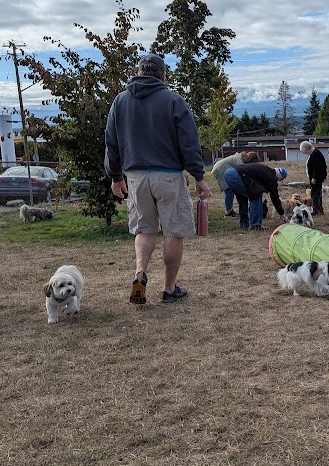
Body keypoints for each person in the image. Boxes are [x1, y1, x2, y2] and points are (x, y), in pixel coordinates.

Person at [105, 54, 211, 305]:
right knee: (173, 231)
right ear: (163, 75)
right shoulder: (174, 101)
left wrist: (115, 176)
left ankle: (140, 273)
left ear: (139, 72)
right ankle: (169, 288)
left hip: (136, 177)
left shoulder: (120, 101)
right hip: (169, 176)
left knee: (144, 229)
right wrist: (198, 176)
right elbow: (189, 142)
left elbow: (112, 142)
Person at [223, 164, 289, 231]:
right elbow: (275, 197)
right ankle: (255, 225)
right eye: (281, 180)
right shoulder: (271, 177)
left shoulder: (266, 169)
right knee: (256, 195)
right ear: (280, 177)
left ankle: (244, 223)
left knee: (243, 198)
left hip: (229, 172)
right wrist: (282, 214)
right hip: (237, 175)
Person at [300, 140, 327, 216]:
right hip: (315, 178)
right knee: (317, 193)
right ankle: (319, 210)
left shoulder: (316, 154)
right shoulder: (314, 153)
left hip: (317, 178)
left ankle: (316, 210)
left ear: (307, 148)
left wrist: (314, 177)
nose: (304, 153)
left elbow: (317, 167)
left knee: (315, 194)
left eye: (304, 151)